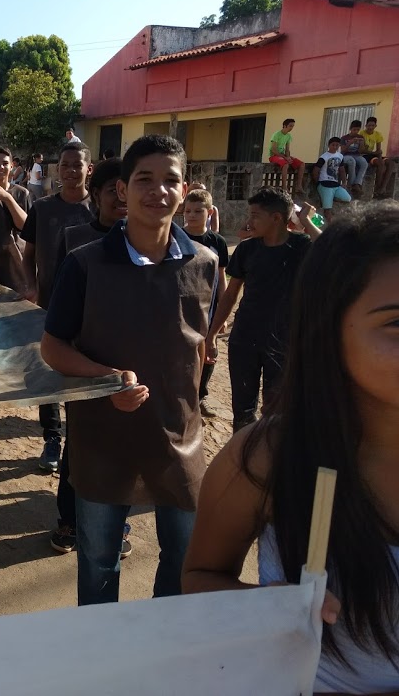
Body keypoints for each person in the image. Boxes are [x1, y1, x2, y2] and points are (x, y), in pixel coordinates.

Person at [182, 202, 399, 693]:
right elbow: (199, 578)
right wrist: (260, 607)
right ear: (329, 328)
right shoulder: (267, 458)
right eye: (396, 322)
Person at [41, 135, 218, 606]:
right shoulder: (85, 264)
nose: (158, 191)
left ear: (185, 190)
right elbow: (52, 347)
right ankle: (102, 647)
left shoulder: (206, 264)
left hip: (179, 437)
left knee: (182, 556)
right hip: (103, 439)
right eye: (144, 179)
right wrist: (107, 378)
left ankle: (161, 640)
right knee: (99, 560)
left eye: (170, 180)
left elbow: (198, 344)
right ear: (122, 188)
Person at [47, 158, 129, 556]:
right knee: (79, 443)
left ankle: (118, 523)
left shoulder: (150, 245)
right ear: (95, 195)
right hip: (83, 359)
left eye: (127, 189)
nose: (121, 198)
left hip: (131, 361)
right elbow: (60, 296)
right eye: (113, 190)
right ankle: (69, 518)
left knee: (124, 447)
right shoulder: (76, 239)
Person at [206, 188, 321, 432]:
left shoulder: (301, 246)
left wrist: (306, 221)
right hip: (244, 338)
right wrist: (212, 334)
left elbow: (330, 248)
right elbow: (230, 295)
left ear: (276, 218)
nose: (249, 221)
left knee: (276, 410)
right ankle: (242, 452)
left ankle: (270, 454)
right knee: (242, 410)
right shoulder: (247, 249)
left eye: (255, 215)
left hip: (283, 342)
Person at [22, 143, 95, 474]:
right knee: (49, 375)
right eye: (65, 165)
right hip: (49, 305)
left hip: (92, 312)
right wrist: (31, 286)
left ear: (88, 169)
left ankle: (80, 442)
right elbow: (28, 255)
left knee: (84, 375)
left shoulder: (100, 210)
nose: (70, 171)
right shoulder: (42, 209)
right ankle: (52, 438)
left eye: (77, 165)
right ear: (57, 169)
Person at [182, 189, 229, 416]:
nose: (192, 215)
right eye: (188, 211)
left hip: (209, 307)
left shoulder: (217, 242)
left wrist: (223, 313)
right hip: (182, 306)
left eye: (198, 211)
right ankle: (182, 396)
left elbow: (221, 278)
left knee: (210, 352)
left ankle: (201, 396)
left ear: (209, 213)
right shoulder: (176, 237)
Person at [312, 136, 352, 222]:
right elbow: (316, 170)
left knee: (347, 198)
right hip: (325, 184)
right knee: (327, 210)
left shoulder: (340, 156)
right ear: (329, 145)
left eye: (337, 145)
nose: (335, 147)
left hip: (335, 184)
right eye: (333, 145)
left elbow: (342, 170)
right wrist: (318, 183)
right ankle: (329, 225)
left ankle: (331, 198)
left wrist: (344, 182)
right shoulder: (324, 157)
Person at [360, 116, 395, 199]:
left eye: (372, 125)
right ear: (366, 126)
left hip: (373, 154)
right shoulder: (362, 133)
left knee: (390, 163)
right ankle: (378, 188)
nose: (370, 127)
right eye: (369, 125)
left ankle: (383, 187)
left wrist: (378, 155)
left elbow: (379, 149)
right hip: (365, 155)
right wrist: (374, 153)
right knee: (380, 163)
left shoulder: (377, 134)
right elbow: (361, 150)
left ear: (375, 126)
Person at [0, 147, 31, 213]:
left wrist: (8, 199)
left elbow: (28, 219)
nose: (1, 167)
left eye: (5, 163)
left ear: (11, 166)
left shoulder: (22, 194)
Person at [268, 119, 305, 195]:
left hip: (283, 156)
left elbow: (287, 150)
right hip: (274, 156)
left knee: (302, 164)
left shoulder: (288, 136)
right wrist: (285, 158)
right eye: (290, 126)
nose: (292, 128)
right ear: (285, 126)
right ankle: (284, 186)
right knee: (285, 164)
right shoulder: (276, 134)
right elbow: (273, 150)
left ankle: (299, 186)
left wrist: (288, 157)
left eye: (293, 126)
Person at [340, 120, 369, 198]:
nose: (356, 131)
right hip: (346, 155)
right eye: (354, 129)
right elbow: (343, 150)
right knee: (352, 161)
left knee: (364, 162)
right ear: (350, 129)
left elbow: (361, 151)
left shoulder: (360, 137)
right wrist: (350, 142)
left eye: (357, 130)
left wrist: (361, 144)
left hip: (356, 155)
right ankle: (352, 184)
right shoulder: (344, 138)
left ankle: (357, 183)